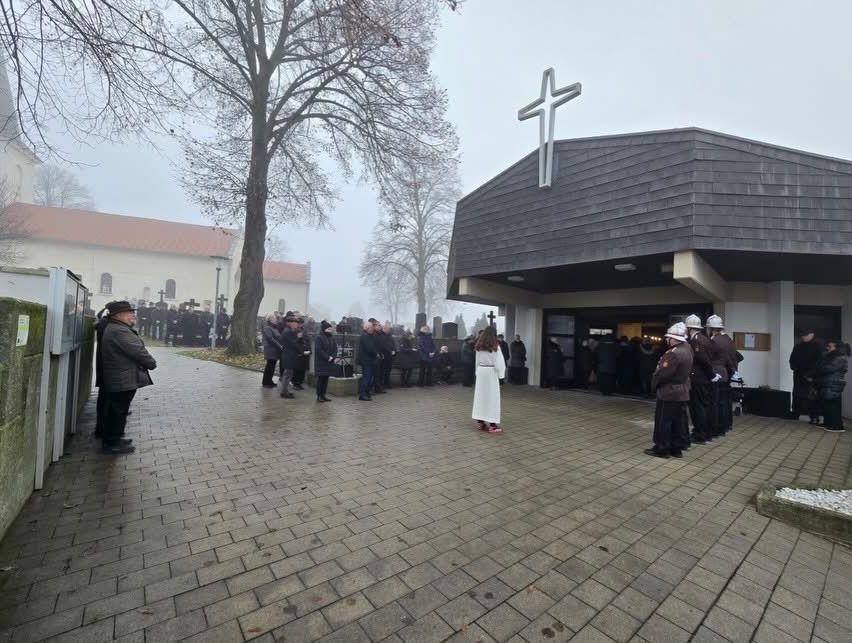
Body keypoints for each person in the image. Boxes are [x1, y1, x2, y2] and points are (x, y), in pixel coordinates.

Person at [100, 301, 157, 454]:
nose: (133, 315)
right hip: (122, 378)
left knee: (119, 410)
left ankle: (116, 437)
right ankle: (112, 442)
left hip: (121, 377)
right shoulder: (120, 331)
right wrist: (152, 363)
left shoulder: (117, 328)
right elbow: (138, 351)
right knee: (117, 411)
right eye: (129, 312)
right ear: (118, 315)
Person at [645, 322, 693, 459]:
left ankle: (662, 448)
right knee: (678, 422)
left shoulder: (673, 354)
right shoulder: (687, 350)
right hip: (682, 391)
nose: (667, 340)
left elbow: (662, 374)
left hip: (669, 392)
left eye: (669, 337)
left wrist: (654, 385)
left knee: (663, 422)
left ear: (674, 338)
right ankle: (676, 449)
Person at [685, 315, 715, 444]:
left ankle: (700, 434)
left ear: (690, 328)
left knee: (698, 408)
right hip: (702, 378)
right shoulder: (704, 338)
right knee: (703, 406)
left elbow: (703, 360)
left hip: (698, 379)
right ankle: (705, 432)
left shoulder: (696, 340)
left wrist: (711, 374)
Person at [472, 326, 507, 433]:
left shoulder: (479, 346)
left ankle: (480, 422)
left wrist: (477, 372)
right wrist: (501, 375)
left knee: (480, 397)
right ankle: (492, 425)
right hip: (491, 372)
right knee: (492, 398)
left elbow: (477, 361)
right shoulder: (496, 346)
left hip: (481, 371)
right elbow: (499, 363)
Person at [707, 315, 737, 436]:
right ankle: (725, 425)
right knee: (724, 402)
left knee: (715, 402)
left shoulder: (714, 341)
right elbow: (733, 358)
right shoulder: (728, 340)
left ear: (712, 328)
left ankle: (716, 428)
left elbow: (709, 358)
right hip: (726, 373)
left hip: (716, 375)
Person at [789, 330, 822, 423]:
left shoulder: (817, 347)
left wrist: (810, 374)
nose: (803, 337)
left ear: (812, 335)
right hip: (798, 374)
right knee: (797, 395)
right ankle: (795, 414)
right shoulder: (798, 346)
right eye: (802, 335)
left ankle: (814, 416)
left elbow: (819, 362)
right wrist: (794, 368)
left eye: (806, 335)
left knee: (811, 396)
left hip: (811, 376)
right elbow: (792, 359)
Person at [817, 340, 848, 433]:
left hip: (834, 383)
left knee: (832, 404)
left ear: (837, 348)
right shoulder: (830, 356)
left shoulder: (840, 357)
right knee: (826, 403)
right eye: (828, 346)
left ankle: (837, 426)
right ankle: (828, 423)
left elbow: (827, 368)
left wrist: (819, 368)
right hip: (828, 382)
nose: (828, 348)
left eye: (830, 347)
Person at [93, 306, 111, 438]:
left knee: (105, 397)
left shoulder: (104, 322)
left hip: (105, 365)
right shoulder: (106, 325)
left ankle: (102, 426)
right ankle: (102, 428)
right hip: (107, 366)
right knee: (105, 398)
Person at [314, 320, 337, 402]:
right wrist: (327, 357)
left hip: (329, 362)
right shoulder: (319, 338)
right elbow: (319, 350)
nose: (330, 331)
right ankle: (319, 395)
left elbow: (335, 349)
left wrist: (333, 356)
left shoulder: (332, 338)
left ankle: (324, 394)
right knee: (321, 379)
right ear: (324, 329)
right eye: (329, 329)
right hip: (322, 362)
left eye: (331, 329)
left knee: (326, 379)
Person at [278, 312, 301, 399]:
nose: (297, 325)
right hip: (288, 356)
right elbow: (293, 343)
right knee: (287, 375)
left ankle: (285, 391)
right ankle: (284, 392)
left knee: (288, 374)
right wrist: (298, 338)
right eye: (295, 323)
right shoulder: (287, 332)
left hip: (290, 355)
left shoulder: (289, 331)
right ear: (290, 323)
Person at [357, 320, 379, 400]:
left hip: (370, 360)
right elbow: (369, 348)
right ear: (366, 328)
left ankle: (366, 393)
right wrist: (376, 354)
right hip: (366, 361)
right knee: (366, 378)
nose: (372, 329)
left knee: (369, 378)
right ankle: (362, 395)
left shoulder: (370, 335)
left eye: (372, 327)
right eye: (371, 327)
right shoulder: (365, 336)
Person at [262, 313, 282, 388]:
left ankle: (269, 381)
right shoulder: (268, 328)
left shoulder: (274, 328)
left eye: (276, 318)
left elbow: (278, 337)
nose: (276, 320)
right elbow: (270, 339)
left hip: (275, 350)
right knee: (269, 366)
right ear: (270, 320)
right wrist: (279, 346)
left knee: (272, 366)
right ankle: (266, 382)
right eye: (274, 319)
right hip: (270, 350)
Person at [377, 322, 396, 391]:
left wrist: (394, 349)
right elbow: (382, 346)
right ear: (384, 329)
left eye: (390, 329)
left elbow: (393, 344)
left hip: (390, 357)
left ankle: (387, 383)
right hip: (384, 356)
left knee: (388, 371)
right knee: (382, 371)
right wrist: (389, 351)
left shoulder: (390, 336)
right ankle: (381, 384)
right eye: (388, 329)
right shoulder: (380, 336)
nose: (389, 330)